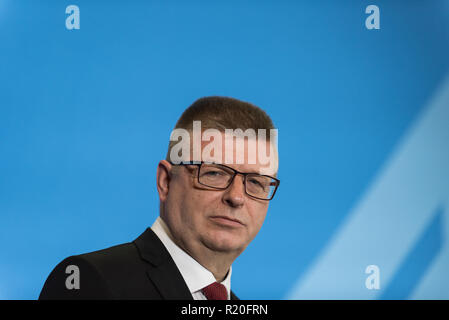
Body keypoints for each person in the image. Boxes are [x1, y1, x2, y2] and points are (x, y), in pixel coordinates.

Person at [39, 96, 280, 300]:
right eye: (215, 173)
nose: (237, 197)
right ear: (165, 181)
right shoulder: (90, 281)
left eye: (256, 182)